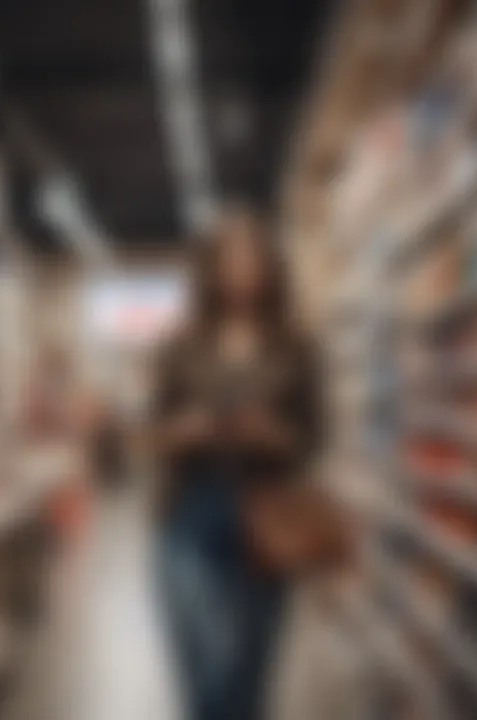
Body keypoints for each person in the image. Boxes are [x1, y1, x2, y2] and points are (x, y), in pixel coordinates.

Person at [153, 209, 336, 720]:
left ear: (271, 268)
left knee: (248, 678)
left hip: (268, 516)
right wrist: (184, 430)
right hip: (190, 513)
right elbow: (152, 434)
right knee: (204, 673)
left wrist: (273, 434)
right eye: (229, 259)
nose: (241, 270)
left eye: (252, 258)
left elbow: (316, 437)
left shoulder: (296, 347)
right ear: (210, 270)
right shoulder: (180, 346)